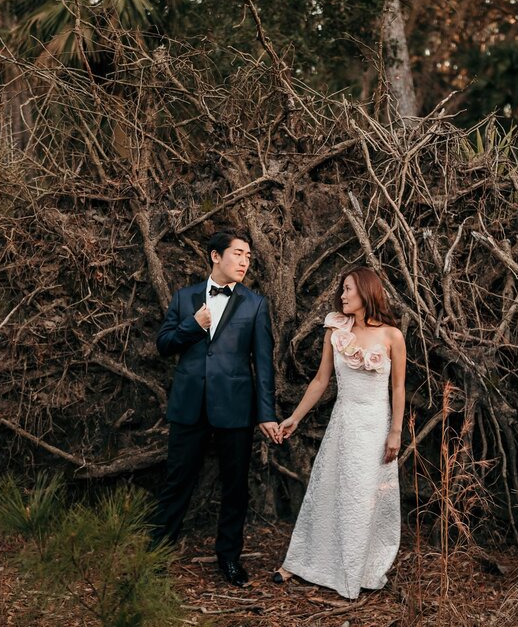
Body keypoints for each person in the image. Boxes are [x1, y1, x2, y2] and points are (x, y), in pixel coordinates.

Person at [151, 228, 282, 587]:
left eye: (248, 257)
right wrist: (192, 327)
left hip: (235, 409)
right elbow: (163, 345)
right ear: (215, 256)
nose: (244, 261)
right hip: (188, 407)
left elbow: (264, 364)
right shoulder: (184, 297)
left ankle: (229, 559)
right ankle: (155, 556)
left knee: (235, 487)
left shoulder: (255, 304)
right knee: (176, 483)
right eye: (238, 253)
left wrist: (266, 413)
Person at [273, 266, 406, 599]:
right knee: (330, 488)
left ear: (366, 291)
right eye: (342, 289)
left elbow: (399, 387)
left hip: (375, 425)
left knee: (363, 496)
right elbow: (321, 380)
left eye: (348, 289)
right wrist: (295, 417)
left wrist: (396, 432)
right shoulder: (335, 331)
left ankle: (354, 567)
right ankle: (305, 561)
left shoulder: (392, 336)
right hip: (344, 422)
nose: (342, 295)